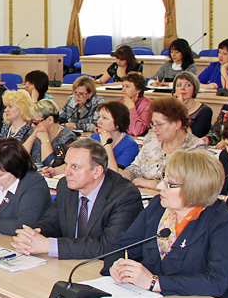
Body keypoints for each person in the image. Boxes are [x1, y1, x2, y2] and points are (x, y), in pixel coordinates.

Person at [102, 150, 228, 298]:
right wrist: (116, 265)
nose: (159, 186)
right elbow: (121, 246)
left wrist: (155, 283)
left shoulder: (222, 222)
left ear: (195, 189)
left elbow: (216, 282)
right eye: (162, 179)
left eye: (170, 184)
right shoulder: (157, 207)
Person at [13, 138, 142, 259]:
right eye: (66, 165)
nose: (66, 172)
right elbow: (51, 222)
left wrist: (48, 245)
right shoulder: (65, 186)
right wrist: (32, 235)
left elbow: (109, 245)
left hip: (105, 268)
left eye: (75, 167)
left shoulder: (125, 196)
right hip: (70, 263)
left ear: (97, 171)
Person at [122, 97, 207, 189]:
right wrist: (121, 180)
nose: (154, 129)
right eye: (153, 124)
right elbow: (134, 169)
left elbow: (189, 184)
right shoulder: (151, 140)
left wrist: (152, 184)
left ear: (177, 124)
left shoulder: (195, 149)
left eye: (159, 125)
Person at [0, 89, 33, 157]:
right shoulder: (3, 127)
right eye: (6, 106)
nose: (5, 110)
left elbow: (20, 156)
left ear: (22, 108)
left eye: (10, 106)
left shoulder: (29, 131)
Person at [27, 99, 78, 170]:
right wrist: (32, 137)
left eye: (36, 122)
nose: (33, 125)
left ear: (50, 120)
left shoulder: (67, 138)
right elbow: (18, 157)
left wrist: (45, 141)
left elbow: (51, 165)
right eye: (32, 122)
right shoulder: (35, 130)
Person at [91, 101, 140, 171]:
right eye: (99, 117)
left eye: (105, 118)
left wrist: (107, 145)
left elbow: (115, 174)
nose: (98, 121)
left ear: (118, 123)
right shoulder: (95, 137)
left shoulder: (130, 146)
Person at [172, 72, 213, 138]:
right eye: (179, 85)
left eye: (187, 85)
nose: (182, 88)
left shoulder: (205, 111)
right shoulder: (168, 108)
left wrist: (181, 110)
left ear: (194, 88)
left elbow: (193, 137)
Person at [120, 72, 151, 137]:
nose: (123, 90)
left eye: (127, 86)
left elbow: (136, 131)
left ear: (138, 90)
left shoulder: (148, 105)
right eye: (123, 86)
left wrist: (131, 109)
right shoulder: (119, 103)